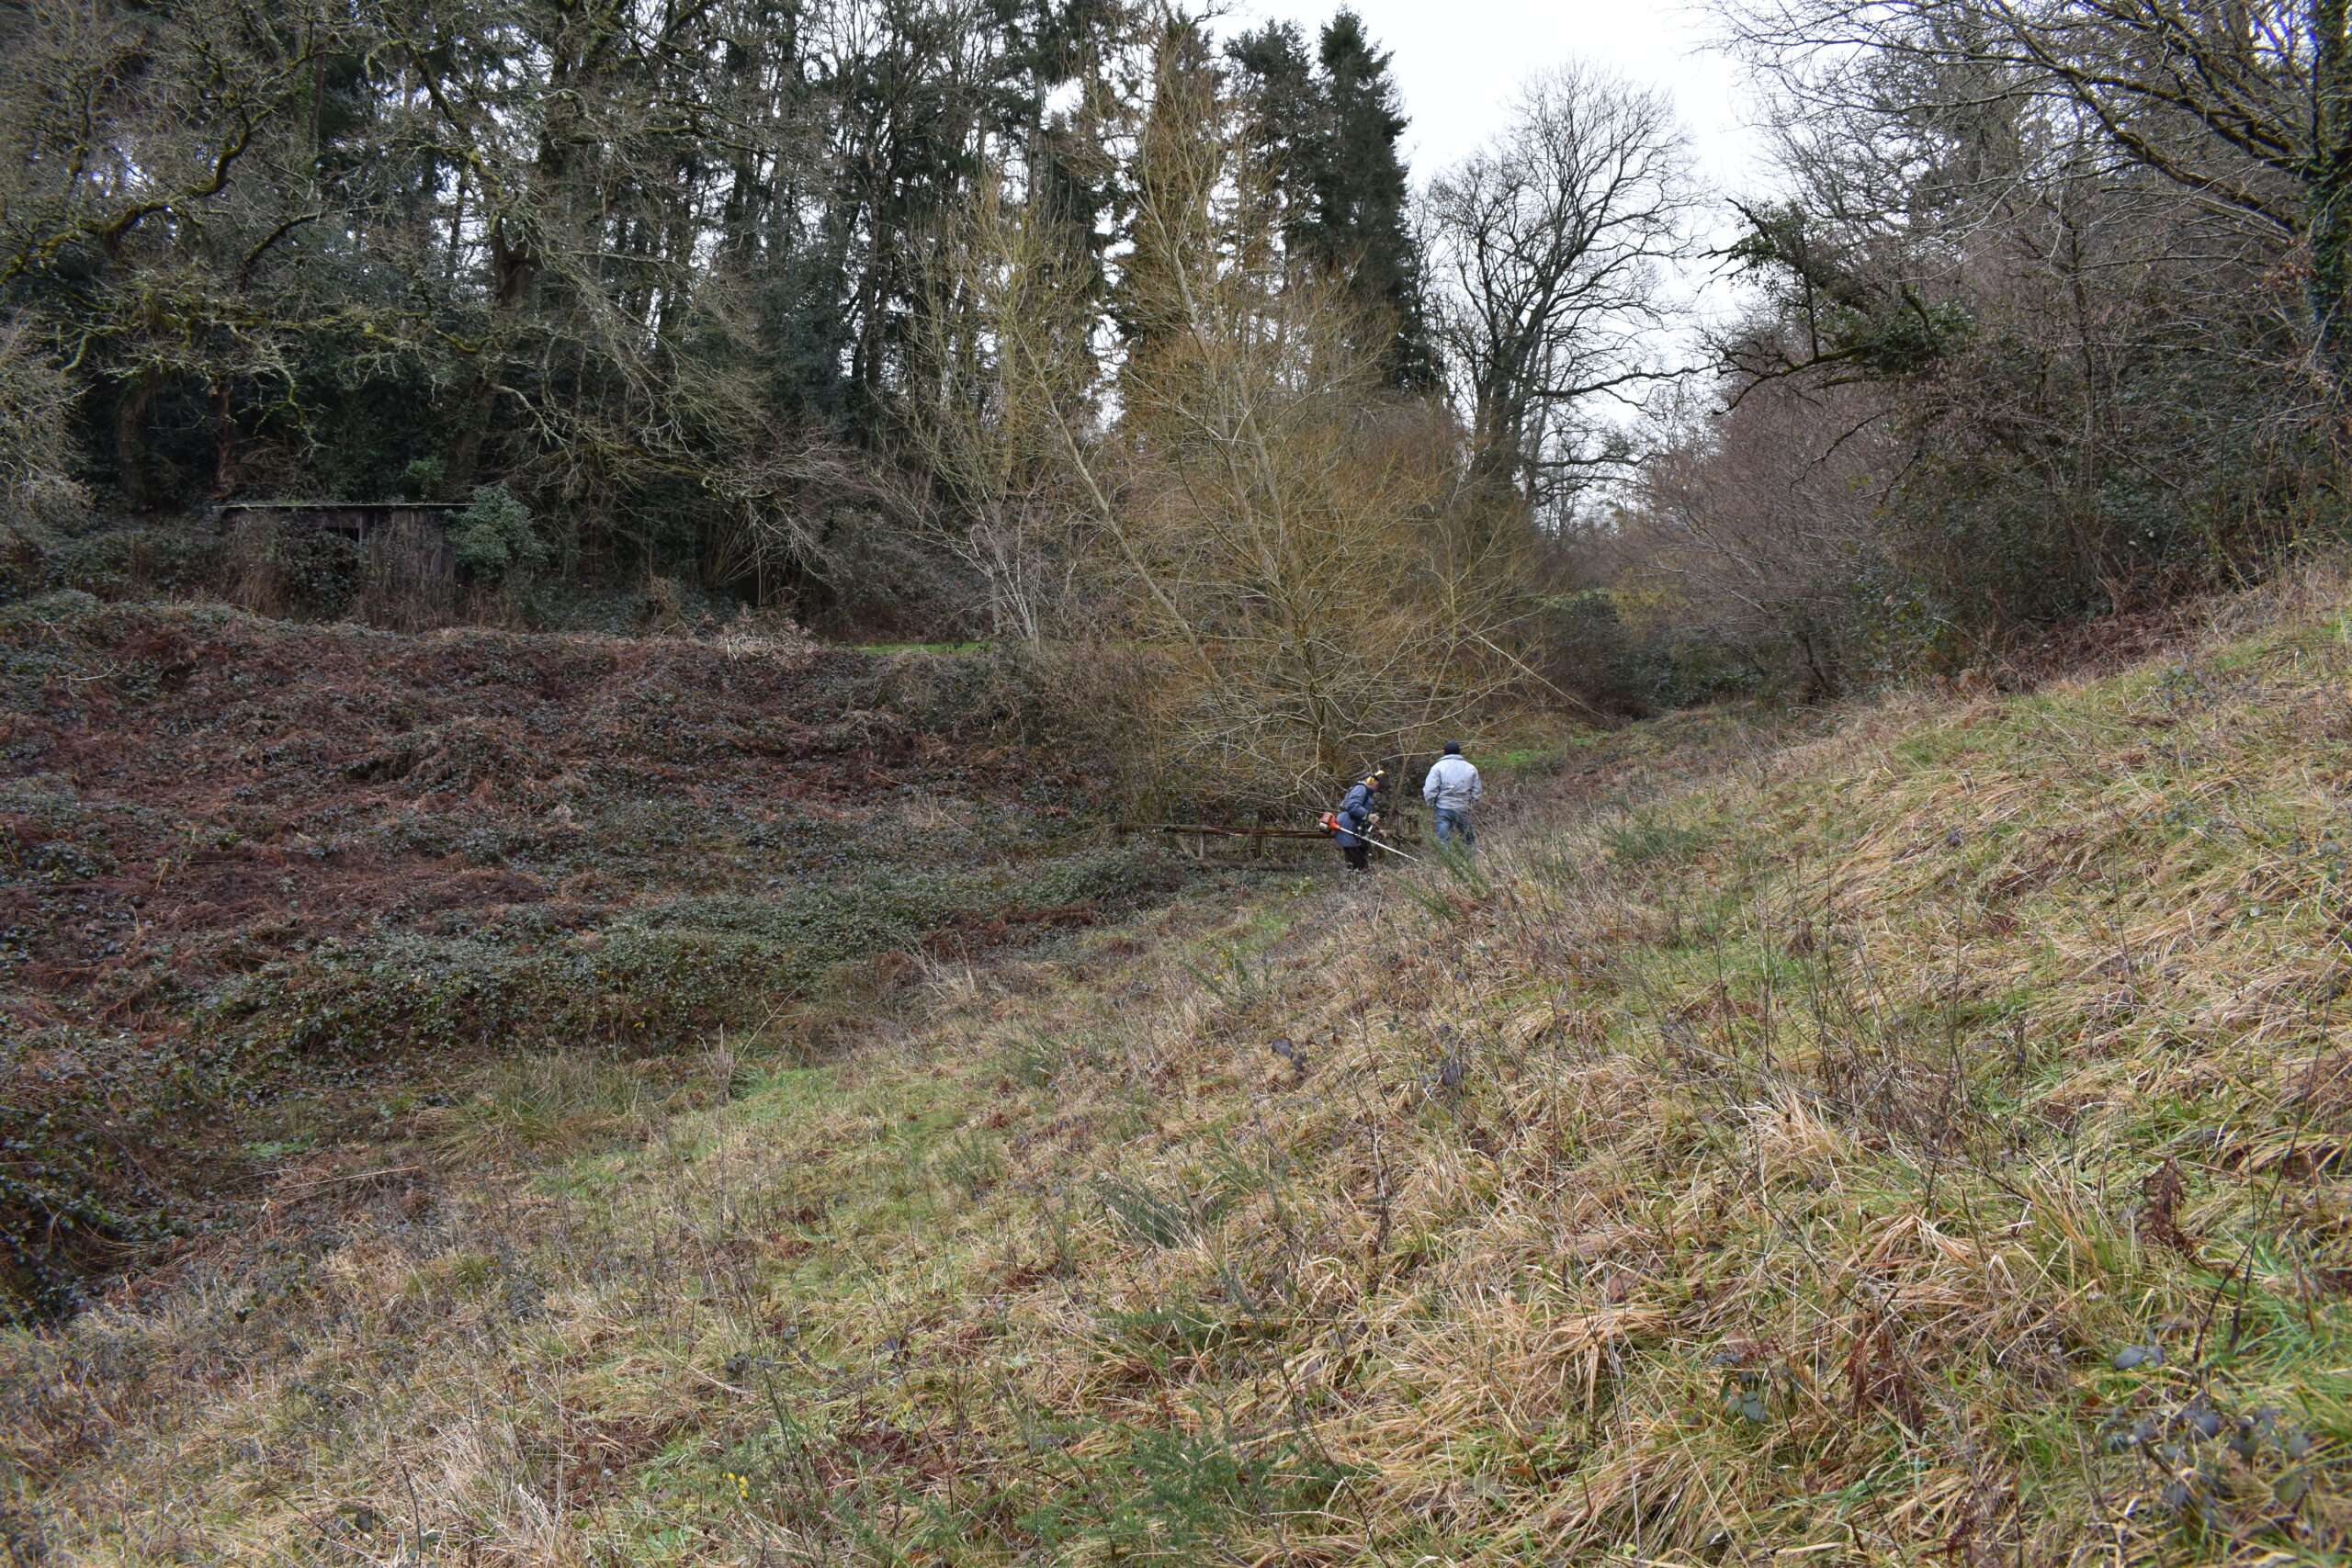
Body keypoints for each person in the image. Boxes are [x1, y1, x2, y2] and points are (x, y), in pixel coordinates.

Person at [1423, 741, 1482, 852]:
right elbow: (1477, 790)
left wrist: (1431, 803)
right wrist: (1471, 805)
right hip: (1462, 808)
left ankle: (1446, 865)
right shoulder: (1471, 768)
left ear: (1444, 752)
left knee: (1443, 842)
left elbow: (1430, 789)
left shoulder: (1437, 767)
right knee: (1469, 841)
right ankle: (1472, 863)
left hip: (1443, 808)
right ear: (1459, 752)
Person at [1332, 768, 1386, 873]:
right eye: (1377, 786)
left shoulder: (1367, 793)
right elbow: (1352, 806)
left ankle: (1357, 883)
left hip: (1357, 831)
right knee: (1358, 865)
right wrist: (1368, 815)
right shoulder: (1360, 789)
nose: (1377, 789)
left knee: (1362, 862)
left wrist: (1376, 829)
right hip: (1347, 829)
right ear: (1371, 781)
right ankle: (1354, 884)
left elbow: (1364, 816)